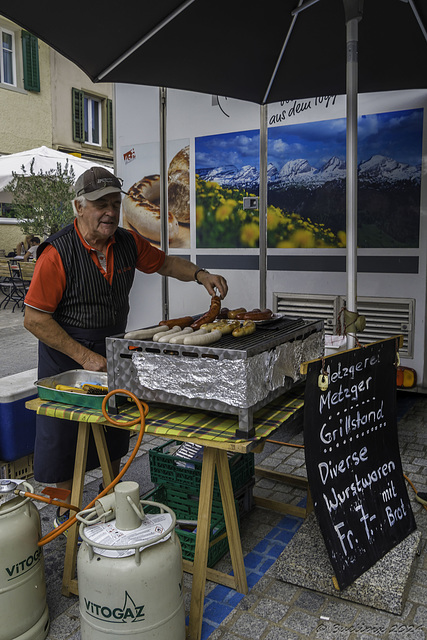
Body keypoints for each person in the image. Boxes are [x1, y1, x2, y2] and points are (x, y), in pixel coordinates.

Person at [24, 166, 228, 531]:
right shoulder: (56, 254)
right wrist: (85, 357)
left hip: (111, 348)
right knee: (63, 440)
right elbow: (34, 319)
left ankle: (112, 493)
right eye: (100, 204)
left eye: (115, 204)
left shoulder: (126, 243)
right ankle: (65, 513)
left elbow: (165, 262)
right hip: (66, 357)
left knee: (114, 427)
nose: (111, 212)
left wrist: (200, 274)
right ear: (79, 206)